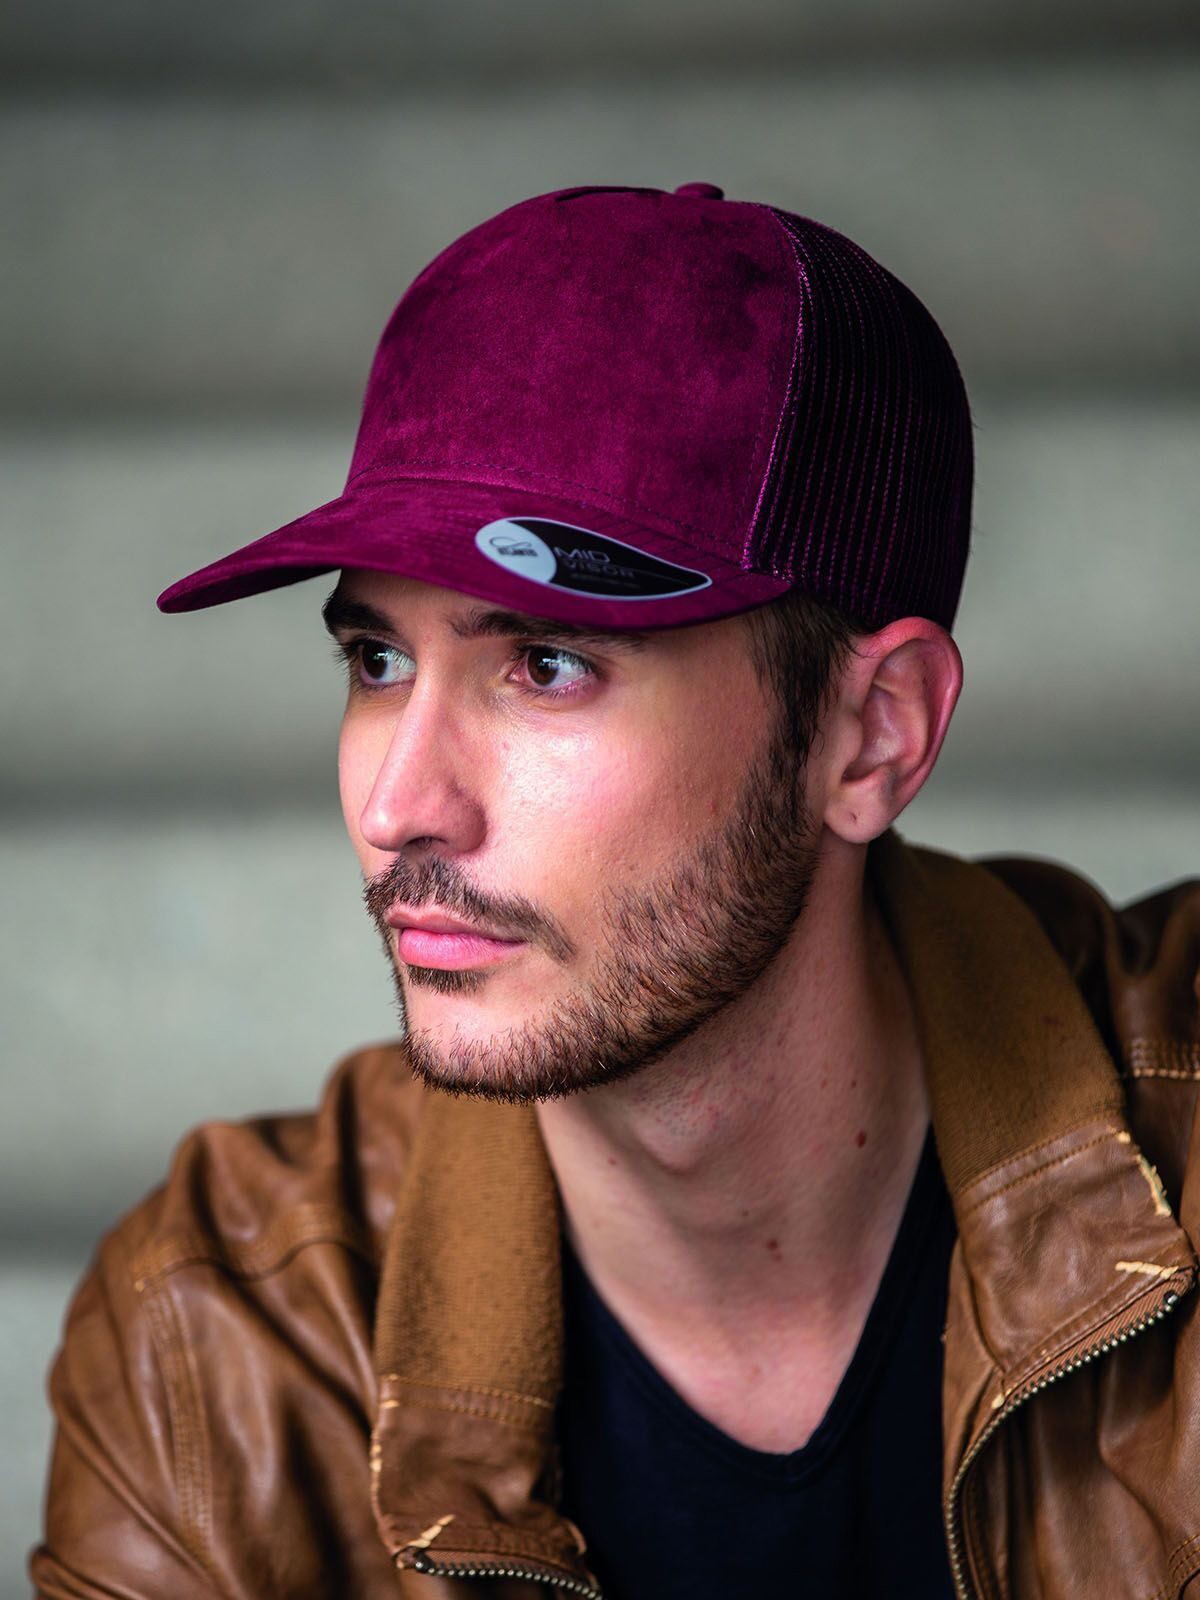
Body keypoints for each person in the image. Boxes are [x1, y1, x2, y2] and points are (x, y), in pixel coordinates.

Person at [30, 182, 1198, 1600]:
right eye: (378, 661)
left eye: (546, 666)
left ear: (872, 734)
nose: (399, 808)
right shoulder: (222, 1349)